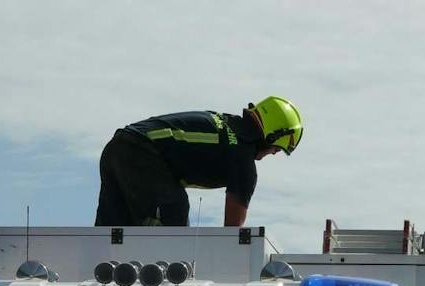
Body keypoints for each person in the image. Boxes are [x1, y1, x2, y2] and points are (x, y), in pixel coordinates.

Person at [94, 97, 302, 228]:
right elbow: (232, 234)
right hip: (140, 152)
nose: (274, 153)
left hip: (117, 147)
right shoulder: (241, 157)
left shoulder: (226, 125)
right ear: (272, 135)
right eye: (277, 148)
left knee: (111, 234)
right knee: (173, 212)